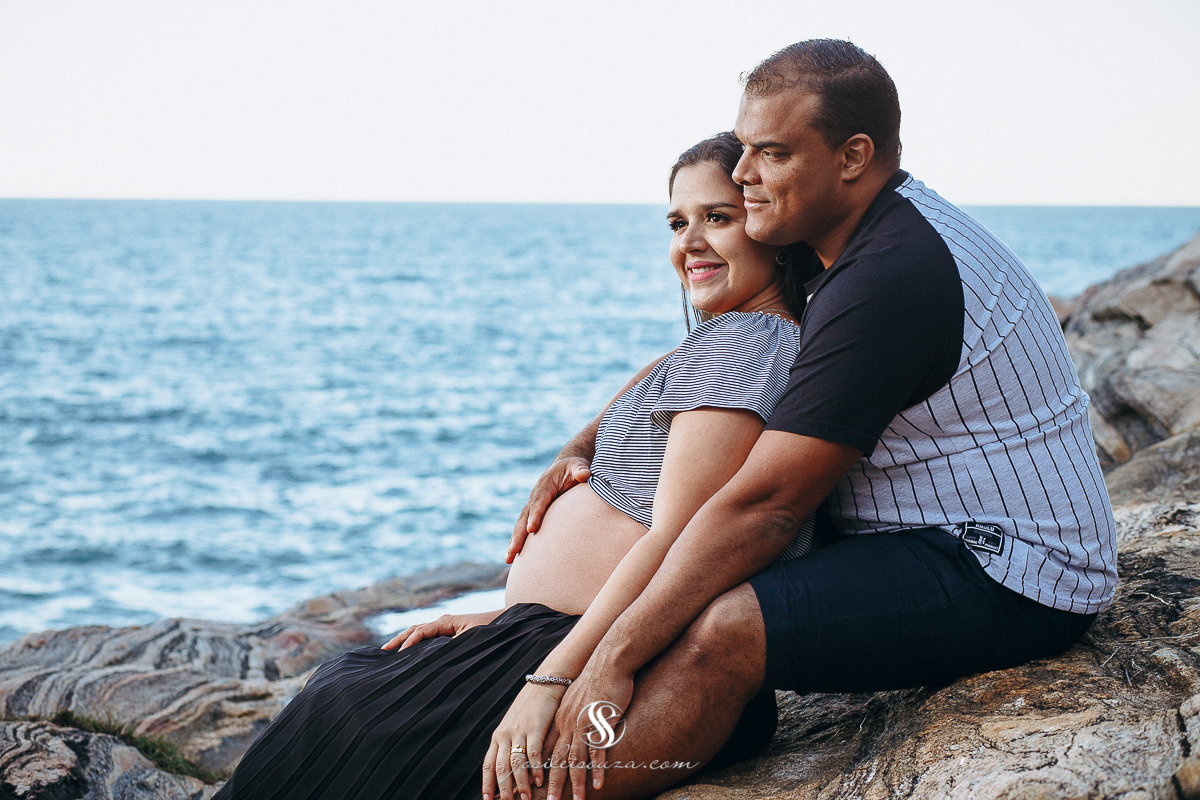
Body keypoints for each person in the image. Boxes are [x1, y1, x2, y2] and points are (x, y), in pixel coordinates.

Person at [505, 39, 1117, 800]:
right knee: (681, 601)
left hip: (1010, 570)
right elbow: (704, 347)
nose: (744, 174)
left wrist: (600, 663)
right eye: (744, 151)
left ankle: (561, 790)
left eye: (770, 153)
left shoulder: (889, 275)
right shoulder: (838, 238)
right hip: (937, 536)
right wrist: (584, 441)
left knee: (720, 627)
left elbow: (765, 509)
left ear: (853, 156)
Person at [210, 131, 819, 800]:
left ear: (772, 227)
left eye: (718, 217)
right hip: (554, 630)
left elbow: (676, 542)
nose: (689, 241)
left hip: (601, 648)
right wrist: (500, 620)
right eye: (678, 222)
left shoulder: (748, 344)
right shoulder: (736, 340)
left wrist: (549, 678)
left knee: (345, 708)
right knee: (348, 688)